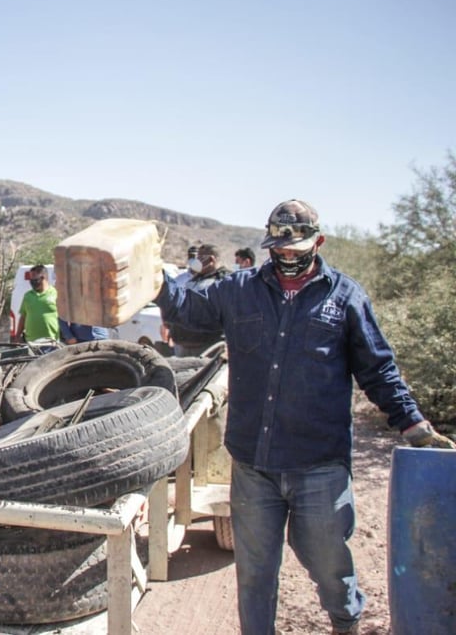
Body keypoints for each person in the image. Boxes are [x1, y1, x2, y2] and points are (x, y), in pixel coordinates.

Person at [155, 199, 455, 635]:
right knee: (255, 573)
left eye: (298, 250)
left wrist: (414, 423)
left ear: (319, 242)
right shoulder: (239, 290)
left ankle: (345, 621)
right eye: (280, 250)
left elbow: (378, 369)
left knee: (328, 562)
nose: (288, 258)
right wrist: (153, 284)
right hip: (254, 464)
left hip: (320, 464)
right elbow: (186, 309)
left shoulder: (345, 296)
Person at [166, 243, 231, 356]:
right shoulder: (193, 280)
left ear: (211, 259)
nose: (196, 261)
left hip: (208, 347)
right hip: (182, 345)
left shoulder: (224, 282)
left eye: (200, 258)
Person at [13, 264, 59, 342]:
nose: (32, 281)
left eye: (34, 278)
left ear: (43, 277)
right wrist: (17, 335)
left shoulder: (55, 293)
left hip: (52, 341)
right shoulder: (28, 296)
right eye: (31, 279)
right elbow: (23, 317)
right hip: (31, 342)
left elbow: (64, 317)